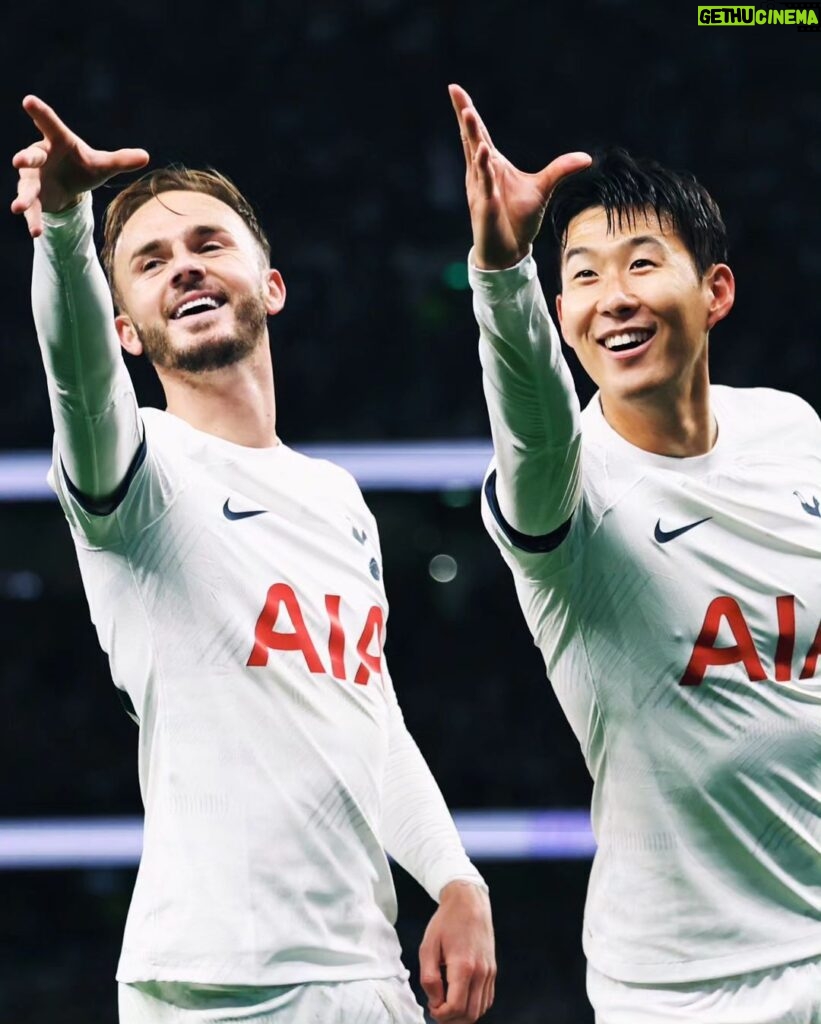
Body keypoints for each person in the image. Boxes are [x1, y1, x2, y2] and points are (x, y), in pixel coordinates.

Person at [11, 94, 496, 1024]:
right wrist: (67, 230)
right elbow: (74, 374)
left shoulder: (336, 500)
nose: (184, 267)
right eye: (149, 263)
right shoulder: (136, 472)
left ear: (269, 284)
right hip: (211, 985)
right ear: (125, 327)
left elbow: (367, 713)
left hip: (367, 974)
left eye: (208, 244)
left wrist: (453, 877)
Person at [449, 83, 821, 1023]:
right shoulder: (562, 493)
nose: (611, 298)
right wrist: (503, 270)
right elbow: (529, 426)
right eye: (580, 276)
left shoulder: (791, 430)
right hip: (683, 991)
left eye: (641, 264)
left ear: (715, 291)